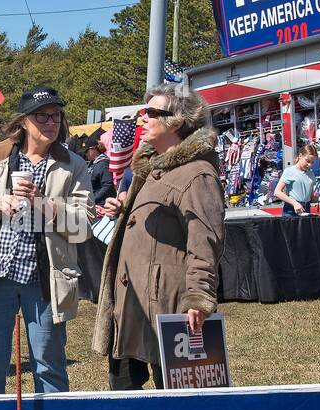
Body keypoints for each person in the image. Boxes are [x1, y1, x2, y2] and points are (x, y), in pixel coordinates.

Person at [0, 86, 93, 394]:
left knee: (50, 369)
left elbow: (84, 225)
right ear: (24, 122)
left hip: (45, 282)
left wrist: (45, 203)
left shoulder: (73, 165)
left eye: (56, 116)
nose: (50, 122)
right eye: (42, 116)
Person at [93, 84, 225, 391]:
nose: (143, 118)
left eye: (152, 112)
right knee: (124, 399)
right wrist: (122, 208)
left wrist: (198, 297)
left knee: (180, 399)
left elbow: (205, 242)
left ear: (176, 121)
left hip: (169, 305)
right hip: (131, 304)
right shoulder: (150, 168)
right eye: (144, 111)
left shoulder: (197, 173)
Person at [274, 142, 319, 216]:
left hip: (306, 208)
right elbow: (277, 192)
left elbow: (311, 198)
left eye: (312, 162)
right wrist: (294, 203)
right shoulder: (290, 171)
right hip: (291, 210)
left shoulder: (311, 174)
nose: (310, 164)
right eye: (307, 161)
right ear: (300, 156)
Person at [85, 142, 116, 207]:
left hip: (103, 204)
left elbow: (108, 185)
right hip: (93, 202)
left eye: (86, 151)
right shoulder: (92, 163)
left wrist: (92, 199)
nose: (85, 154)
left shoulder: (103, 164)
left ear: (94, 149)